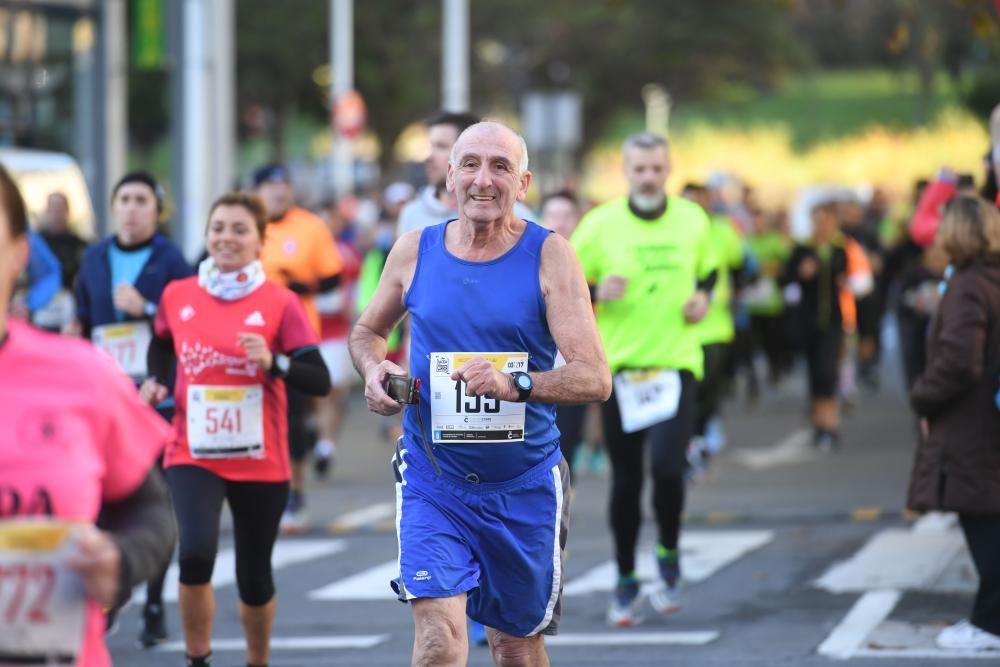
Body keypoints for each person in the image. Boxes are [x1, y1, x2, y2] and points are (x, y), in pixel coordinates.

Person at [350, 121, 610, 667]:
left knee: (514, 648)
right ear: (449, 176)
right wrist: (375, 370)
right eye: (469, 164)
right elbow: (367, 332)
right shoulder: (414, 250)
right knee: (439, 641)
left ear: (524, 183)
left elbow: (593, 377)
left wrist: (516, 385)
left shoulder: (550, 255)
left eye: (500, 167)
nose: (482, 180)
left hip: (524, 486)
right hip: (432, 479)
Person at [140, 192, 331, 667]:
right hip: (192, 451)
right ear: (206, 235)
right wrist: (157, 381)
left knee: (254, 576)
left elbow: (319, 379)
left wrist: (275, 362)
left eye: (240, 229)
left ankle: (257, 660)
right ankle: (197, 659)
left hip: (260, 459)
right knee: (197, 555)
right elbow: (162, 343)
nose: (226, 237)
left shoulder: (280, 303)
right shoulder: (178, 295)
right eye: (218, 227)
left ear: (260, 241)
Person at [0, 163, 176, 667]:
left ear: (19, 255)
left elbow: (150, 512)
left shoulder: (81, 375)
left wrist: (119, 562)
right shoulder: (97, 260)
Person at [571, 132, 718, 626]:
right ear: (625, 171)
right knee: (627, 479)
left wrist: (704, 299)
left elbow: (710, 273)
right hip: (620, 372)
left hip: (676, 363)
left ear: (669, 169)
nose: (649, 177)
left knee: (669, 468)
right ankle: (626, 575)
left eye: (657, 168)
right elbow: (562, 287)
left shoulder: (693, 219)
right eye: (640, 169)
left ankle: (669, 551)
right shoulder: (599, 225)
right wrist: (594, 288)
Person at [73, 170, 192, 645]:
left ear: (156, 209)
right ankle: (112, 595)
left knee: (153, 501)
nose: (131, 208)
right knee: (101, 503)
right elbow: (84, 318)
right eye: (124, 198)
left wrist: (145, 309)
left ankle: (154, 601)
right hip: (103, 396)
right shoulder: (95, 259)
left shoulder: (172, 260)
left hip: (155, 396)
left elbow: (187, 323)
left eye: (141, 199)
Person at [907, 195, 1000, 652]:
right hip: (990, 416)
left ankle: (991, 624)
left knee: (981, 517)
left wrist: (923, 398)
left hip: (971, 421)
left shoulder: (966, 285)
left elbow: (961, 360)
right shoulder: (992, 278)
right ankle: (988, 618)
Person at [254, 164, 343, 532]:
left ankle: (295, 492)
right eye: (270, 186)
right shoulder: (245, 225)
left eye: (284, 185)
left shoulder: (310, 226)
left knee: (290, 420)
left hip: (295, 339)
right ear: (256, 190)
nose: (278, 192)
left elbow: (332, 277)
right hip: (247, 340)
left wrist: (299, 288)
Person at [683, 182, 744, 473]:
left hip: (717, 326)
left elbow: (738, 267)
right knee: (688, 390)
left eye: (699, 201)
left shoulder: (723, 231)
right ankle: (690, 441)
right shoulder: (673, 231)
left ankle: (701, 433)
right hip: (681, 328)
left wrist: (733, 298)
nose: (694, 208)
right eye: (688, 202)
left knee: (709, 389)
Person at [397, 111, 533, 237]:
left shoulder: (520, 218)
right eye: (430, 146)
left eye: (441, 146)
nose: (429, 156)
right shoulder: (411, 215)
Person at [782, 202, 849, 451]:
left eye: (826, 221)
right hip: (807, 321)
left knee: (827, 370)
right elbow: (787, 278)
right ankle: (819, 424)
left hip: (832, 320)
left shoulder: (838, 250)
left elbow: (846, 279)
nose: (822, 226)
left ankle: (830, 423)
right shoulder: (802, 250)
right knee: (814, 372)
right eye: (817, 221)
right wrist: (800, 274)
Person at [313, 198, 364, 477]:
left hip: (336, 332)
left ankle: (325, 445)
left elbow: (357, 290)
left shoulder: (348, 253)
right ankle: (321, 439)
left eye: (328, 220)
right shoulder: (302, 252)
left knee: (333, 390)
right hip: (309, 332)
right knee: (319, 394)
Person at [33, 192, 86, 331]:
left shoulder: (79, 245)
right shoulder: (35, 244)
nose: (56, 213)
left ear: (67, 211)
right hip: (38, 311)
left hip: (70, 313)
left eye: (60, 208)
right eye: (53, 208)